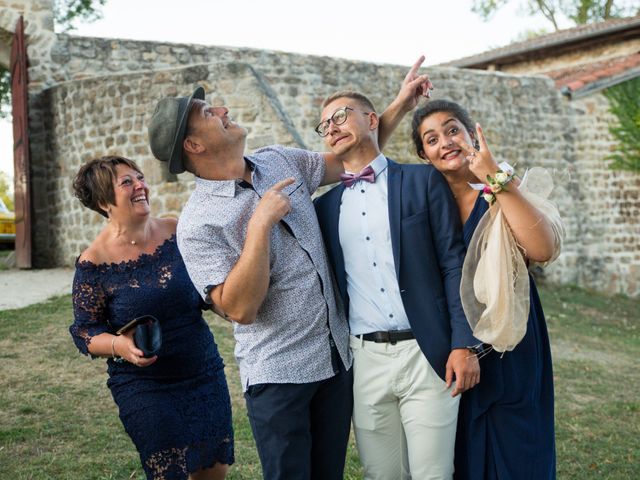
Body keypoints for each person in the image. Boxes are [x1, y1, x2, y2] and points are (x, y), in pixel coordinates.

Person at [146, 57, 431, 480]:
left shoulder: (279, 160)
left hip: (335, 362)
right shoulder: (198, 223)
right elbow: (240, 308)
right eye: (209, 113)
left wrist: (401, 104)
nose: (223, 110)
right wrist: (259, 225)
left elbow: (354, 156)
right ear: (193, 146)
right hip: (279, 377)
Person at [313, 91, 481, 479]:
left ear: (373, 120)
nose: (332, 127)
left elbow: (454, 265)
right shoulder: (324, 208)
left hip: (428, 354)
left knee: (433, 473)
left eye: (341, 115)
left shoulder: (424, 181)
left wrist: (462, 344)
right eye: (325, 125)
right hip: (365, 358)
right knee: (381, 473)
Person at [411, 99, 558, 479]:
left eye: (452, 129)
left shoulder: (503, 185)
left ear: (470, 133)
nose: (445, 141)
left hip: (510, 339)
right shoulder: (424, 202)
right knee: (462, 451)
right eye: (432, 139)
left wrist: (495, 176)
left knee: (516, 448)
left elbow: (542, 249)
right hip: (451, 343)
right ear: (424, 155)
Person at [69, 156, 234, 480]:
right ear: (104, 201)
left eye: (140, 178)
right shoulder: (94, 262)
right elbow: (85, 332)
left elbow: (209, 289)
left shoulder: (176, 230)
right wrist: (120, 346)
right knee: (169, 473)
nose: (140, 185)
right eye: (126, 182)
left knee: (212, 471)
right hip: (145, 386)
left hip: (202, 370)